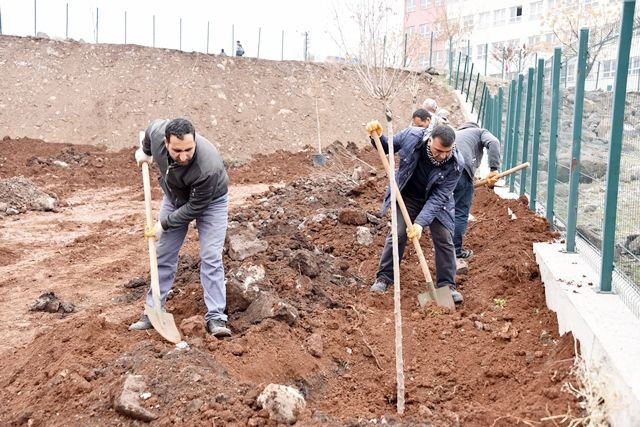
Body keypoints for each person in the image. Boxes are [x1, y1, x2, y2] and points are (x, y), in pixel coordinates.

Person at [131, 118, 231, 338]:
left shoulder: (208, 167)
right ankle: (153, 310)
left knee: (210, 257)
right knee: (163, 254)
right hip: (175, 196)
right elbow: (149, 132)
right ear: (166, 143)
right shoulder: (158, 133)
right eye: (177, 150)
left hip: (210, 202)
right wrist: (146, 152)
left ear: (195, 141)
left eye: (189, 149)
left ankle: (216, 317)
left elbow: (195, 207)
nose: (184, 156)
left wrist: (164, 224)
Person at [367, 118, 465, 303]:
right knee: (397, 234)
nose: (443, 156)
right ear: (430, 140)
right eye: (438, 151)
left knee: (444, 238)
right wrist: (377, 136)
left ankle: (447, 286)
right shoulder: (411, 136)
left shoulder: (456, 163)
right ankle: (384, 277)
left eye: (447, 151)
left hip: (436, 202)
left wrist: (420, 223)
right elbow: (388, 146)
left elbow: (439, 197)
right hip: (408, 196)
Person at [453, 122, 501, 259]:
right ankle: (455, 251)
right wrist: (494, 169)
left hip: (445, 171)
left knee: (445, 208)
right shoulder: (480, 132)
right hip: (462, 170)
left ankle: (441, 246)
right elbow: (494, 142)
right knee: (460, 212)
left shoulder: (456, 134)